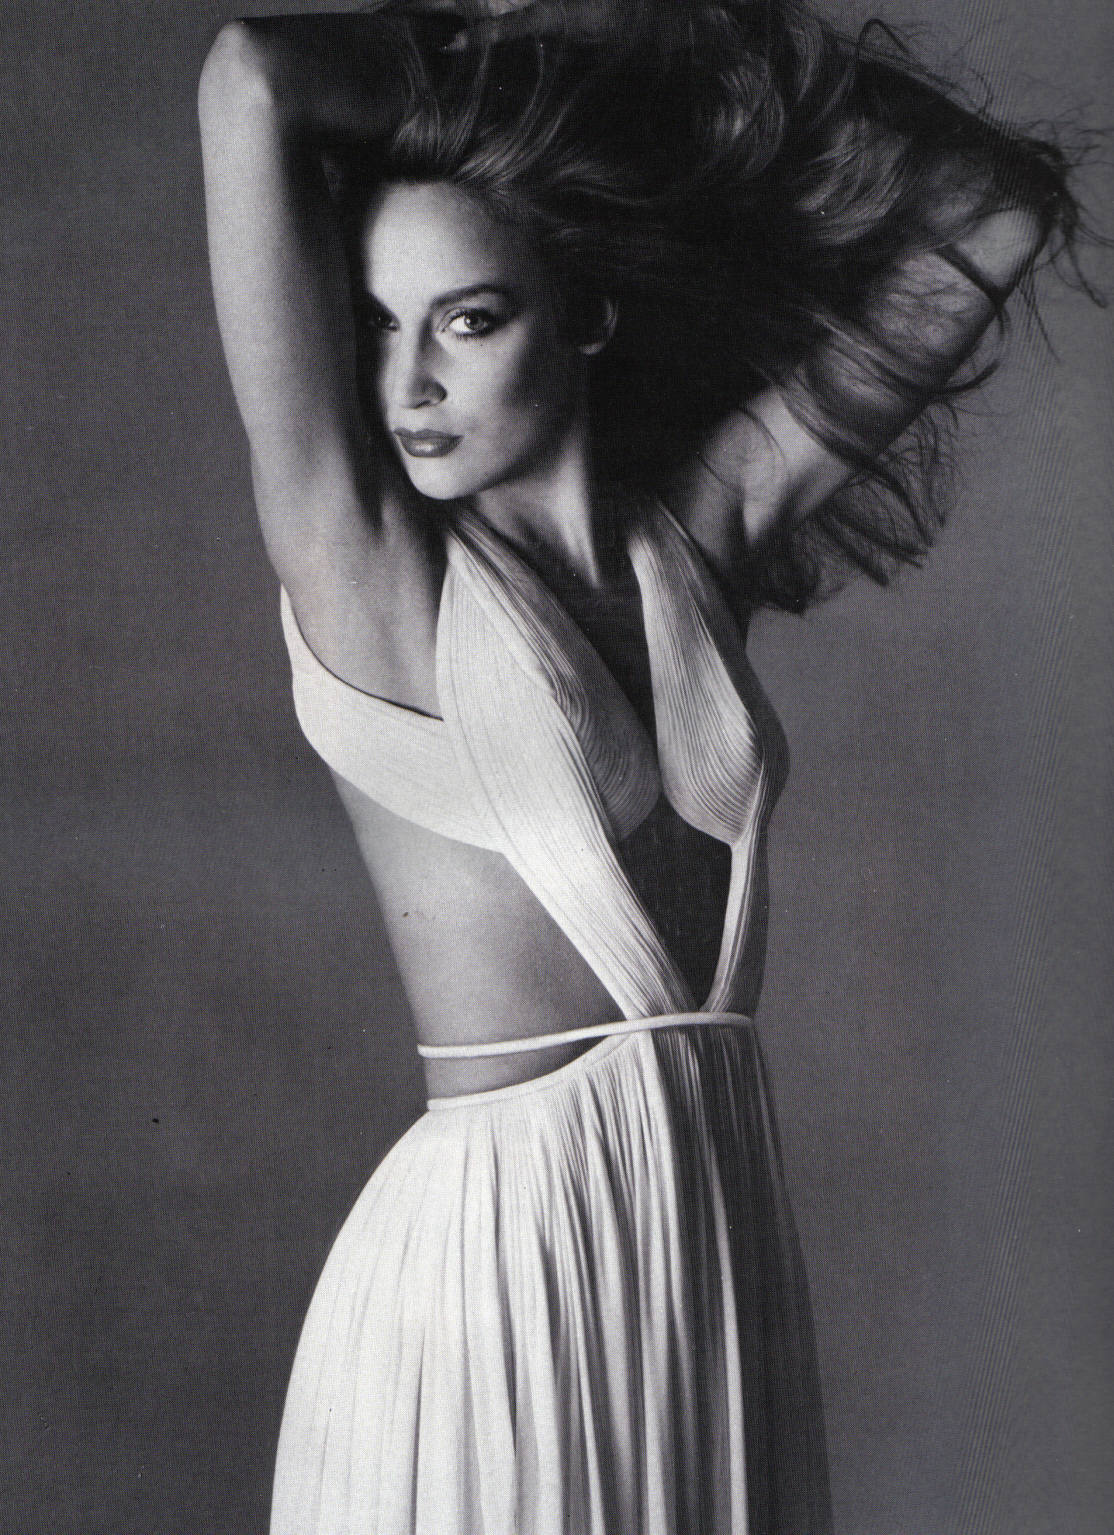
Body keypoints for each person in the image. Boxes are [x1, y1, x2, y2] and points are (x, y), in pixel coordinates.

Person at [197, 2, 1085, 1530]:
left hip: (708, 1266)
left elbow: (989, 213)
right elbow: (250, 77)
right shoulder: (371, 580)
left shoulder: (702, 542)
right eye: (376, 328)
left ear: (586, 314)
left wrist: (660, 57)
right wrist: (527, 65)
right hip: (498, 1287)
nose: (409, 384)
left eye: (467, 318)